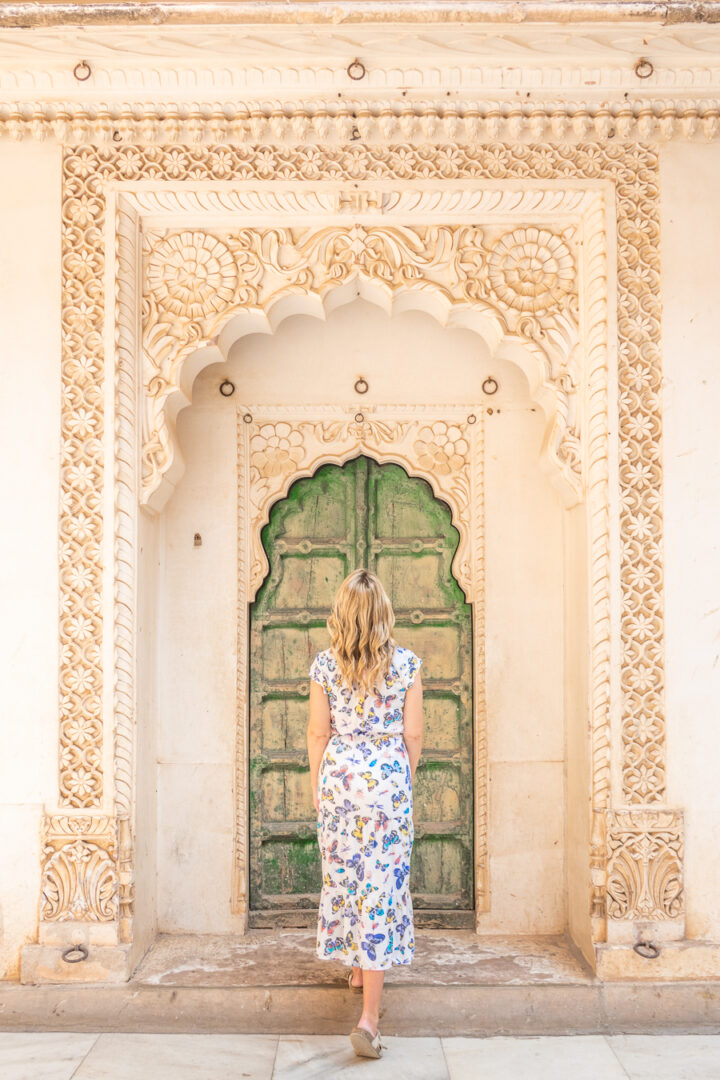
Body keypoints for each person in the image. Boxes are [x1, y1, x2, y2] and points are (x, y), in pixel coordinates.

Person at [306, 567, 423, 1059]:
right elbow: (412, 734)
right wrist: (403, 780)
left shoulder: (324, 666)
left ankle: (357, 968)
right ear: (384, 615)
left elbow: (318, 732)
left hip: (340, 784)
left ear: (342, 615)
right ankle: (370, 1021)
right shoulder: (408, 665)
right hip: (386, 788)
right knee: (380, 889)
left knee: (349, 880)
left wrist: (318, 786)